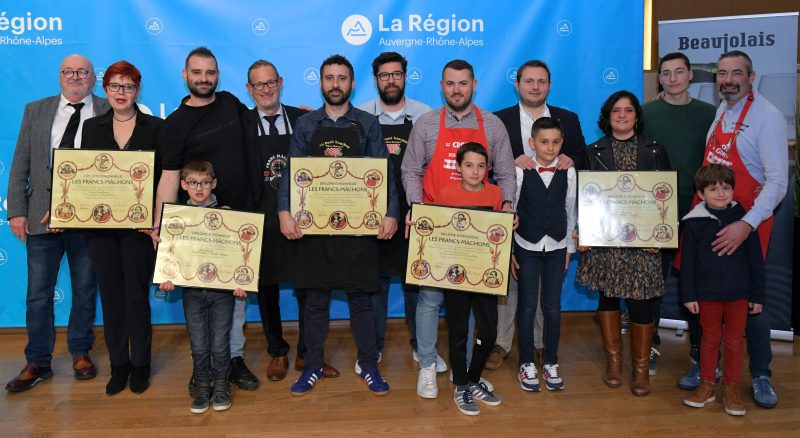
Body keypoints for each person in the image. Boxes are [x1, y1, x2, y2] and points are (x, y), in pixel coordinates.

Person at [277, 54, 399, 396]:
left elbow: (384, 170)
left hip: (359, 229)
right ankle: (312, 366)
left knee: (363, 302)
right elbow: (291, 171)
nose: (335, 84)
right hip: (314, 230)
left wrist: (391, 211)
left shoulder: (367, 123)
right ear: (320, 83)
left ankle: (369, 365)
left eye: (342, 78)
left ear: (352, 83)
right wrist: (284, 211)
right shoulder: (306, 124)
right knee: (315, 303)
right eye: (329, 78)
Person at [402, 59, 516, 399]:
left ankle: (464, 371)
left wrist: (507, 206)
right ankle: (426, 364)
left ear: (474, 84)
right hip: (438, 226)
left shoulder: (493, 125)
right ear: (442, 85)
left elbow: (507, 174)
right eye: (450, 83)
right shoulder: (425, 124)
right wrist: (415, 208)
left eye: (463, 83)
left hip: (480, 232)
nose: (456, 89)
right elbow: (411, 171)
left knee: (467, 302)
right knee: (430, 299)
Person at [155, 47, 259, 392]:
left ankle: (231, 361)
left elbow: (263, 121)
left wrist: (300, 114)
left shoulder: (230, 103)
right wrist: (160, 230)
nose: (204, 78)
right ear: (185, 75)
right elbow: (169, 178)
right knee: (200, 305)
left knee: (237, 299)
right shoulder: (173, 124)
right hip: (197, 227)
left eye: (210, 72)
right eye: (197, 72)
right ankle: (204, 367)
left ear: (217, 75)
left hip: (237, 222)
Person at [6, 54, 107, 393]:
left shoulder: (110, 110)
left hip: (89, 220)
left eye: (82, 72)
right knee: (37, 295)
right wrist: (16, 210)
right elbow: (20, 161)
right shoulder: (36, 110)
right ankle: (38, 361)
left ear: (94, 78)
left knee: (84, 289)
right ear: (59, 76)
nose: (75, 76)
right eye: (68, 71)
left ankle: (80, 351)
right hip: (40, 218)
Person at [698, 50, 787, 409]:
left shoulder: (768, 116)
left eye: (736, 73)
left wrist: (746, 225)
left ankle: (761, 374)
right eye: (721, 73)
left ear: (751, 76)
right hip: (716, 221)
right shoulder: (722, 112)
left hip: (750, 224)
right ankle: (711, 370)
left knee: (752, 301)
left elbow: (777, 182)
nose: (728, 79)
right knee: (714, 293)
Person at [242, 59, 340, 381]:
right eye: (259, 84)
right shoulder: (240, 125)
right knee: (266, 289)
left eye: (271, 82)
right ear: (249, 89)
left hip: (303, 220)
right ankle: (277, 352)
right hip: (261, 221)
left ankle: (307, 354)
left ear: (281, 82)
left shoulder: (304, 119)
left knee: (308, 289)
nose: (266, 89)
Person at [490, 59, 586, 370]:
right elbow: (485, 166)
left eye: (541, 81)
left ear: (549, 85)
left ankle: (541, 345)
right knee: (510, 285)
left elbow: (580, 164)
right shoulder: (500, 120)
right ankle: (502, 344)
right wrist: (508, 163)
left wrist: (569, 159)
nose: (535, 86)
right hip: (516, 219)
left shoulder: (567, 119)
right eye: (528, 81)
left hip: (553, 224)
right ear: (516, 84)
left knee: (545, 292)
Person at [575, 90, 670, 396]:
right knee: (609, 299)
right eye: (616, 110)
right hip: (606, 240)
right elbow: (585, 197)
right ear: (607, 115)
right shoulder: (593, 151)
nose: (622, 115)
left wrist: (661, 235)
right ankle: (614, 363)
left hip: (642, 243)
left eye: (628, 110)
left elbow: (664, 196)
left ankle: (641, 370)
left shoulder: (655, 150)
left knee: (642, 303)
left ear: (637, 116)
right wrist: (584, 230)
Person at [80, 61, 162, 395]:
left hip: (139, 230)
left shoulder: (156, 127)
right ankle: (119, 365)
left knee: (136, 297)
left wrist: (156, 219)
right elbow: (85, 177)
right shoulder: (92, 127)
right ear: (105, 89)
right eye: (115, 86)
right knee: (112, 298)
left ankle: (141, 364)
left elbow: (162, 179)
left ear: (137, 90)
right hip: (101, 229)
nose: (121, 93)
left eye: (128, 87)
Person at [642, 52, 717, 381]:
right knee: (654, 281)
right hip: (655, 212)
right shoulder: (646, 113)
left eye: (678, 72)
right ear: (660, 79)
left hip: (699, 211)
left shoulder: (709, 114)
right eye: (666, 74)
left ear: (690, 76)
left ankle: (701, 350)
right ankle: (651, 343)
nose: (672, 79)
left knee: (700, 281)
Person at [358, 52, 433, 372]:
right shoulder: (360, 115)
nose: (391, 80)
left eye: (397, 74)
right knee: (375, 283)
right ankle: (372, 348)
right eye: (384, 75)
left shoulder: (425, 115)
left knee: (415, 282)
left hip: (416, 213)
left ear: (405, 77)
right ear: (376, 80)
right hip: (374, 214)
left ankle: (421, 345)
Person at [160, 160, 246, 413]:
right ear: (184, 185)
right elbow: (172, 253)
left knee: (220, 343)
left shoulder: (226, 213)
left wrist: (240, 281)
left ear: (213, 184)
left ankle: (221, 385)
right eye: (194, 183)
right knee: (198, 344)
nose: (200, 188)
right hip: (193, 293)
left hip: (222, 294)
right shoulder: (176, 218)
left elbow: (236, 253)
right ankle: (202, 384)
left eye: (205, 183)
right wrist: (168, 275)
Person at [680, 164, 765, 417]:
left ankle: (732, 388)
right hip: (707, 295)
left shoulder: (744, 221)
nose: (720, 193)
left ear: (733, 190)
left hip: (739, 294)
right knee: (709, 339)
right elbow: (688, 263)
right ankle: (707, 384)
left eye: (726, 188)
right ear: (701, 193)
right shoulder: (694, 223)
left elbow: (756, 262)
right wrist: (689, 295)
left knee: (735, 341)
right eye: (713, 188)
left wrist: (757, 295)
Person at [430, 142, 503, 416]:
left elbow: (497, 234)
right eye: (469, 165)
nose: (475, 171)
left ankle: (473, 379)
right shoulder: (446, 193)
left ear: (488, 168)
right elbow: (436, 230)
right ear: (458, 167)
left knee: (488, 331)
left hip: (485, 274)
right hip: (455, 275)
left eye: (481, 166)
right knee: (459, 333)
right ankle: (461, 384)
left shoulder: (496, 194)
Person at [513, 117, 576, 392]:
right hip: (526, 245)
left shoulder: (569, 171)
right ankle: (526, 362)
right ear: (532, 143)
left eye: (556, 142)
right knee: (527, 306)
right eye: (544, 142)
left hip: (557, 246)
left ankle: (551, 361)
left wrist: (568, 249)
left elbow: (570, 209)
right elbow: (511, 211)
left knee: (552, 307)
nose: (550, 148)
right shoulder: (520, 170)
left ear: (562, 142)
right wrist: (511, 250)